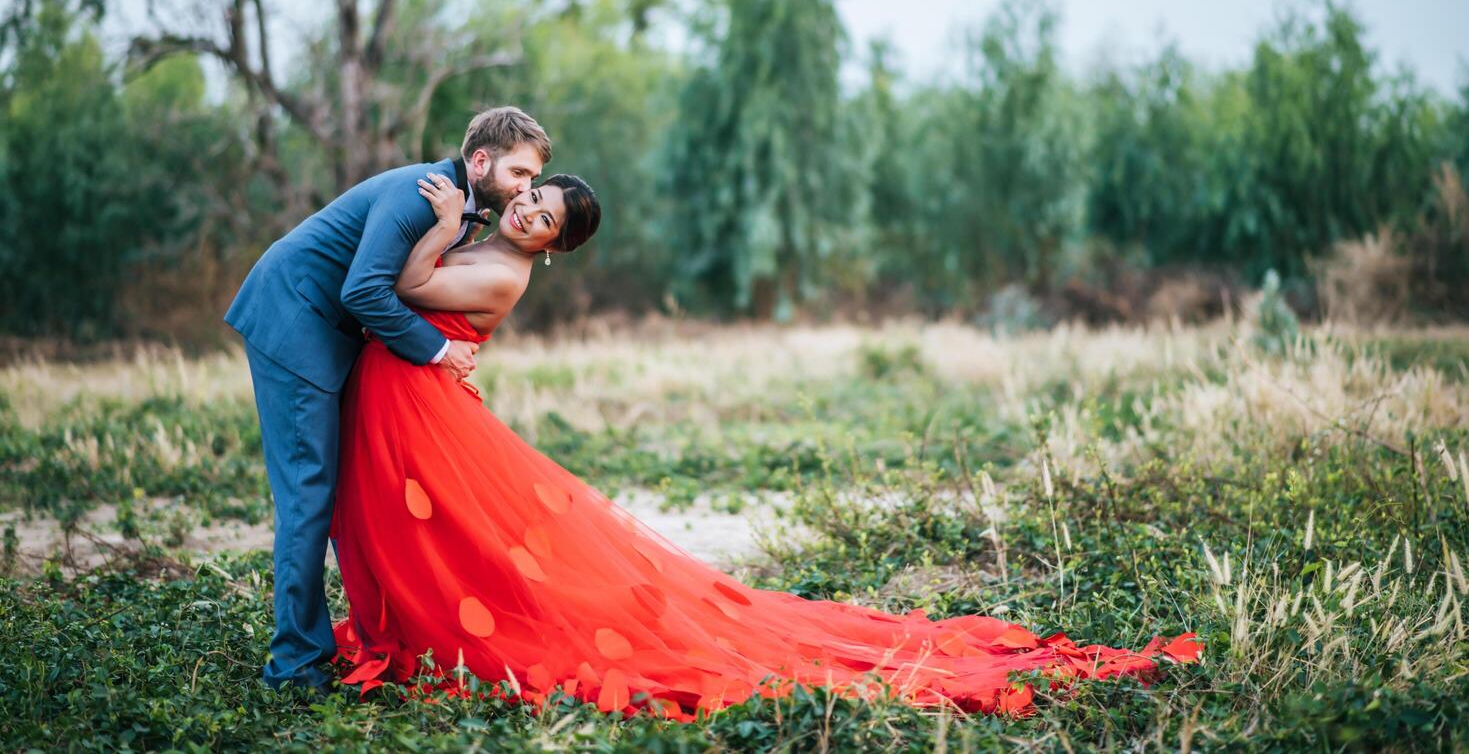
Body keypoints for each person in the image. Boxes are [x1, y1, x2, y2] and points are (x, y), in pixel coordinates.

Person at [328, 172, 1200, 718]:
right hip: (413, 394)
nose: (526, 209)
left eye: (543, 216)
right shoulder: (498, 241)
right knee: (432, 528)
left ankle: (426, 629)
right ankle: (409, 618)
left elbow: (399, 283)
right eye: (531, 195)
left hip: (421, 402)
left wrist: (443, 219)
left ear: (553, 248)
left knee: (456, 533)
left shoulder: (498, 265)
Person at [224, 107, 553, 693]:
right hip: (294, 320)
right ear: (480, 161)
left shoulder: (459, 210)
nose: (527, 190)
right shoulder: (420, 195)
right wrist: (438, 351)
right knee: (308, 494)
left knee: (336, 491)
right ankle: (295, 666)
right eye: (521, 174)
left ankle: (354, 633)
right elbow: (364, 291)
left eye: (533, 180)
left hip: (326, 331)